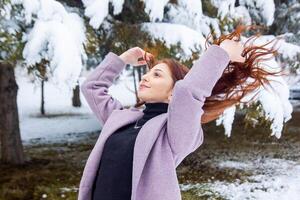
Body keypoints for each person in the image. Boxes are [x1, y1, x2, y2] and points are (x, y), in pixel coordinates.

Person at [78, 26, 283, 200]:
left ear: (172, 93)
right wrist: (122, 60)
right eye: (148, 73)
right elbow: (92, 87)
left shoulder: (175, 133)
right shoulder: (122, 119)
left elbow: (187, 93)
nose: (146, 78)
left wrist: (221, 53)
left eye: (157, 75)